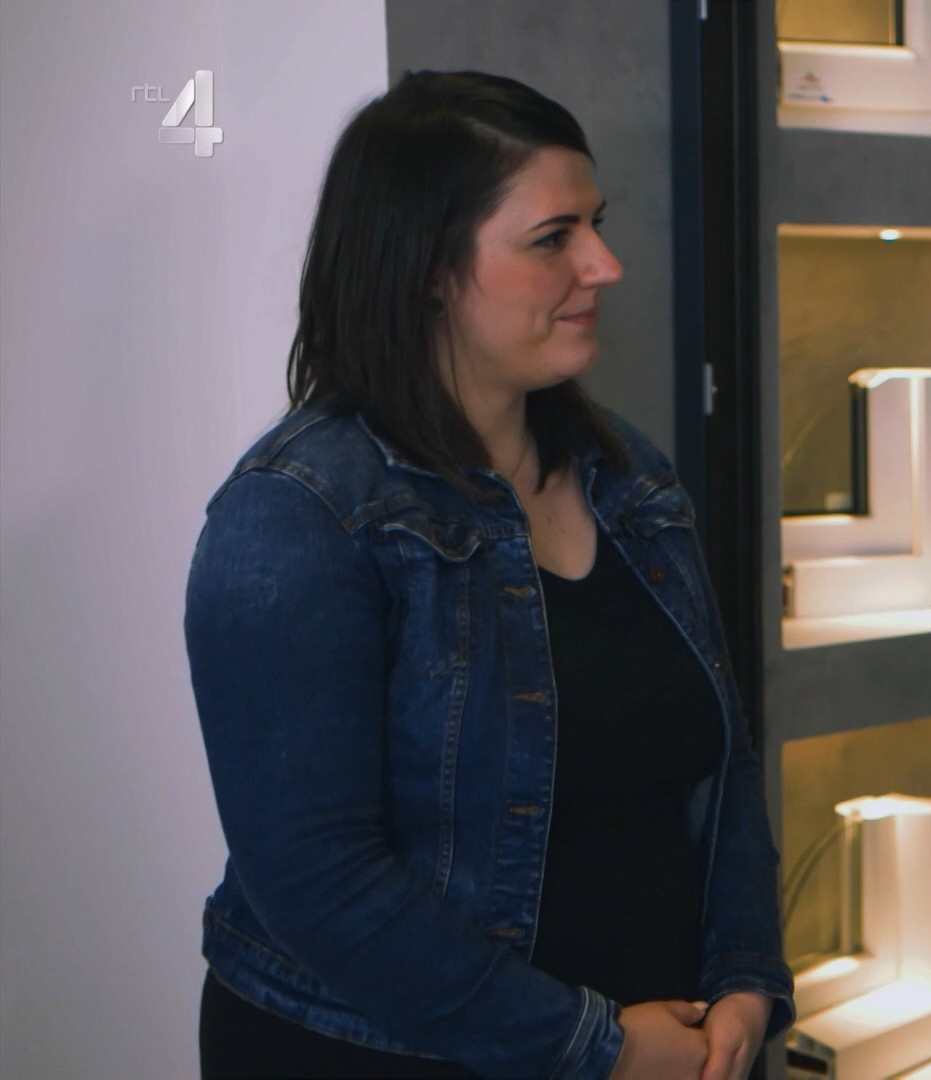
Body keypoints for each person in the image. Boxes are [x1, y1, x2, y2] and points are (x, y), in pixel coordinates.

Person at [184, 70, 791, 1080]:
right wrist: (596, 1047)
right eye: (553, 238)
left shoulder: (626, 476)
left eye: (596, 225)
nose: (604, 265)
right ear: (427, 267)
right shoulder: (299, 512)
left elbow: (720, 768)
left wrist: (744, 974)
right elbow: (319, 884)